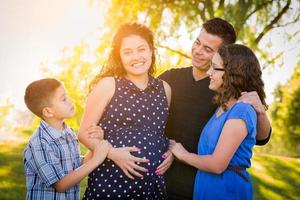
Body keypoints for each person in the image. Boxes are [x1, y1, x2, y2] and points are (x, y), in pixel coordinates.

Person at [157, 18, 272, 199]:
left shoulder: (227, 92)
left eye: (208, 49)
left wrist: (261, 111)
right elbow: (144, 118)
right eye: (197, 42)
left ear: (224, 57)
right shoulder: (170, 77)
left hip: (198, 185)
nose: (198, 51)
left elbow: (260, 138)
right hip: (160, 178)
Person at [78, 23, 171, 199]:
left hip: (151, 189)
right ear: (119, 56)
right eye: (127, 52)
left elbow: (161, 134)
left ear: (151, 50)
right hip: (110, 185)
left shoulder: (164, 89)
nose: (136, 57)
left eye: (141, 49)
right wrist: (113, 153)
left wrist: (170, 153)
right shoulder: (109, 85)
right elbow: (84, 133)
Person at [23, 78, 111, 200]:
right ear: (48, 112)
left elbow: (76, 165)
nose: (70, 101)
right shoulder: (40, 143)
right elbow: (60, 185)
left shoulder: (68, 133)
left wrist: (97, 144)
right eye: (64, 99)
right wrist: (96, 160)